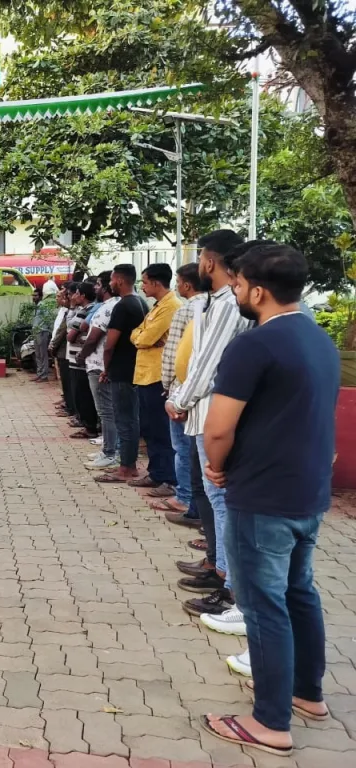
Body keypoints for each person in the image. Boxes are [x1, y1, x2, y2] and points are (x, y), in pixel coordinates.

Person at [199, 244, 337, 758]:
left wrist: (217, 466)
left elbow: (218, 429)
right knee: (300, 593)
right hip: (306, 493)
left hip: (262, 495)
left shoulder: (255, 345)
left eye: (237, 285)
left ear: (257, 290)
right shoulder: (318, 339)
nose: (234, 292)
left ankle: (270, 722)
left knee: (263, 607)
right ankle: (308, 694)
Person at [166, 229, 248, 619]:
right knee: (211, 497)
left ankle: (231, 586)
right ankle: (219, 567)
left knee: (221, 499)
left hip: (211, 411)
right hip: (198, 411)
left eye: (200, 256)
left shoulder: (231, 303)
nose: (198, 263)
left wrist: (179, 399)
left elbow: (209, 364)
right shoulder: (212, 302)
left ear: (210, 261)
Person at [155, 263, 204, 518]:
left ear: (186, 284)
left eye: (178, 281)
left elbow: (173, 352)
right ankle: (192, 501)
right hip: (201, 392)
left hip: (182, 391)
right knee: (194, 452)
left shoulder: (186, 310)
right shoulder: (213, 305)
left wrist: (167, 386)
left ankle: (184, 497)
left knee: (183, 449)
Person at [128, 263, 181, 493]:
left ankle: (168, 478)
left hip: (158, 376)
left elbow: (144, 338)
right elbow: (136, 334)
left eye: (145, 282)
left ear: (157, 283)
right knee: (149, 428)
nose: (143, 286)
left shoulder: (171, 307)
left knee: (160, 430)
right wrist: (143, 337)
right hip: (144, 374)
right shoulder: (156, 306)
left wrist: (144, 337)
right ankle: (156, 472)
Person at [96, 265, 147, 484]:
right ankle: (128, 464)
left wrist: (106, 368)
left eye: (112, 280)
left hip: (122, 370)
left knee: (124, 419)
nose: (110, 284)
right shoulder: (142, 303)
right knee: (131, 419)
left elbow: (110, 344)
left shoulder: (123, 306)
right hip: (136, 368)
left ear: (118, 280)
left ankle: (127, 467)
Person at [77, 275, 120, 469]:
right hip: (102, 364)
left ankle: (110, 452)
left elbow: (94, 337)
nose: (96, 288)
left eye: (99, 285)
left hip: (98, 364)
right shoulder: (115, 305)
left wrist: (81, 355)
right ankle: (109, 448)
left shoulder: (108, 307)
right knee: (108, 411)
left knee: (106, 412)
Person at [66, 282, 99, 439]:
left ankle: (90, 427)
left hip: (80, 358)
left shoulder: (89, 310)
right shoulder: (82, 310)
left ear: (83, 296)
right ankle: (86, 423)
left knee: (83, 394)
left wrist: (74, 333)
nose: (73, 296)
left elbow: (70, 334)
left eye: (76, 293)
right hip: (75, 357)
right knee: (79, 393)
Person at [32, 283, 58, 382]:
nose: (34, 298)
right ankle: (39, 373)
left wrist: (50, 332)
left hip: (42, 331)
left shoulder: (43, 306)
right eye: (33, 296)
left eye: (36, 296)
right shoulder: (36, 306)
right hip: (36, 331)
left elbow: (48, 319)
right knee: (38, 354)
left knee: (43, 354)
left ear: (40, 296)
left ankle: (44, 375)